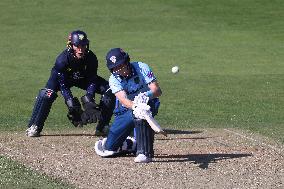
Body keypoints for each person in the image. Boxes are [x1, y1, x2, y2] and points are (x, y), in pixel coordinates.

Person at [26, 30, 115, 137]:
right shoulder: (62, 60)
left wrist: (89, 98)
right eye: (77, 46)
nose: (80, 49)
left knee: (110, 90)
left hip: (82, 78)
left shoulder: (91, 58)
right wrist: (71, 104)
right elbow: (63, 85)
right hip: (61, 80)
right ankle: (35, 126)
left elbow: (92, 79)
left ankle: (102, 126)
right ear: (71, 45)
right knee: (47, 95)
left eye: (83, 45)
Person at [94, 48, 162, 163]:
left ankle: (144, 153)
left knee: (143, 112)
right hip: (125, 109)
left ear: (127, 61)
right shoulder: (113, 80)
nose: (119, 69)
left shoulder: (142, 67)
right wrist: (136, 106)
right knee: (109, 148)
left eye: (121, 65)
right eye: (115, 68)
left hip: (149, 103)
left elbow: (157, 90)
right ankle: (130, 144)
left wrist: (146, 96)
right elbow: (123, 100)